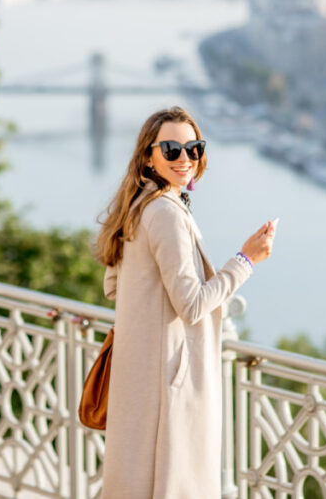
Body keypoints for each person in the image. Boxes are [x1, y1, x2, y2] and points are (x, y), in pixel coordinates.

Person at [95, 106, 275, 498]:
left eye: (193, 148)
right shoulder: (165, 213)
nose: (185, 159)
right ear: (149, 155)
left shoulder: (138, 206)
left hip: (140, 373)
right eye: (172, 149)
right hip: (168, 381)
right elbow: (191, 306)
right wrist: (246, 260)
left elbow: (114, 286)